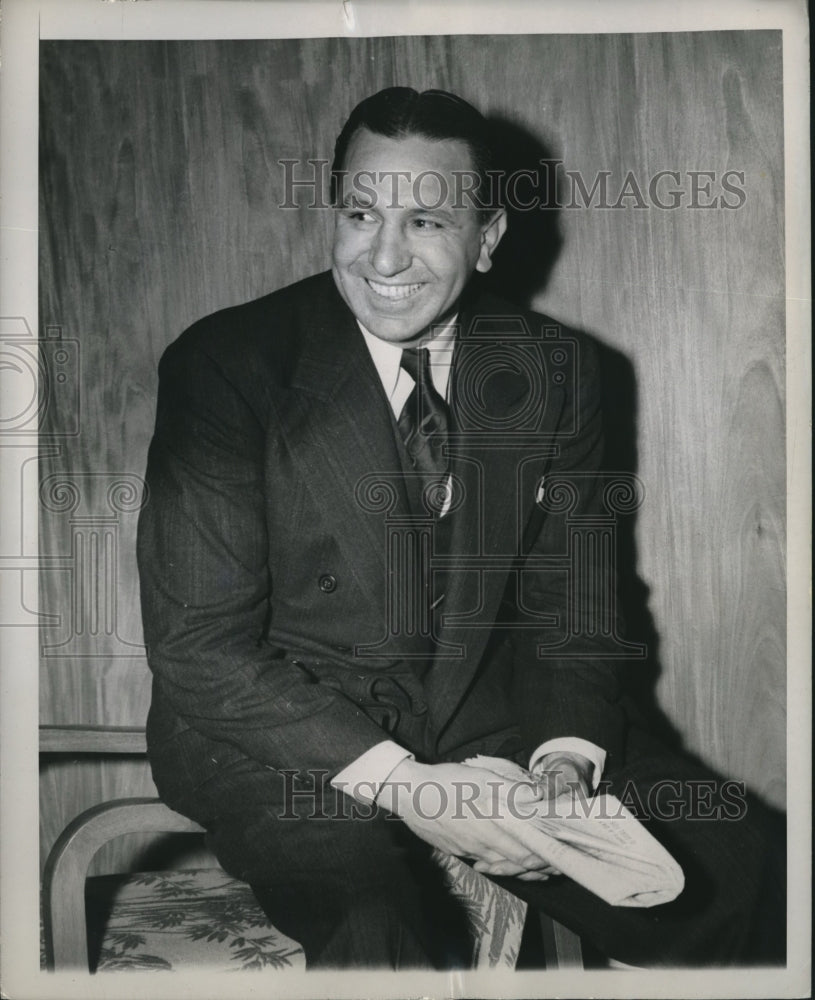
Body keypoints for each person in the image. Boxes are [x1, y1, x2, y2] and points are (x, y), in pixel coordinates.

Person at [137, 86, 782, 970]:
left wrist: (562, 761)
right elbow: (198, 646)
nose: (385, 257)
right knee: (378, 922)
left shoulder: (555, 369)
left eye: (428, 223)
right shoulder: (226, 365)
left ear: (486, 242)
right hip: (277, 737)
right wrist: (410, 789)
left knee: (747, 867)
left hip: (486, 720)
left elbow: (572, 601)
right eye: (361, 213)